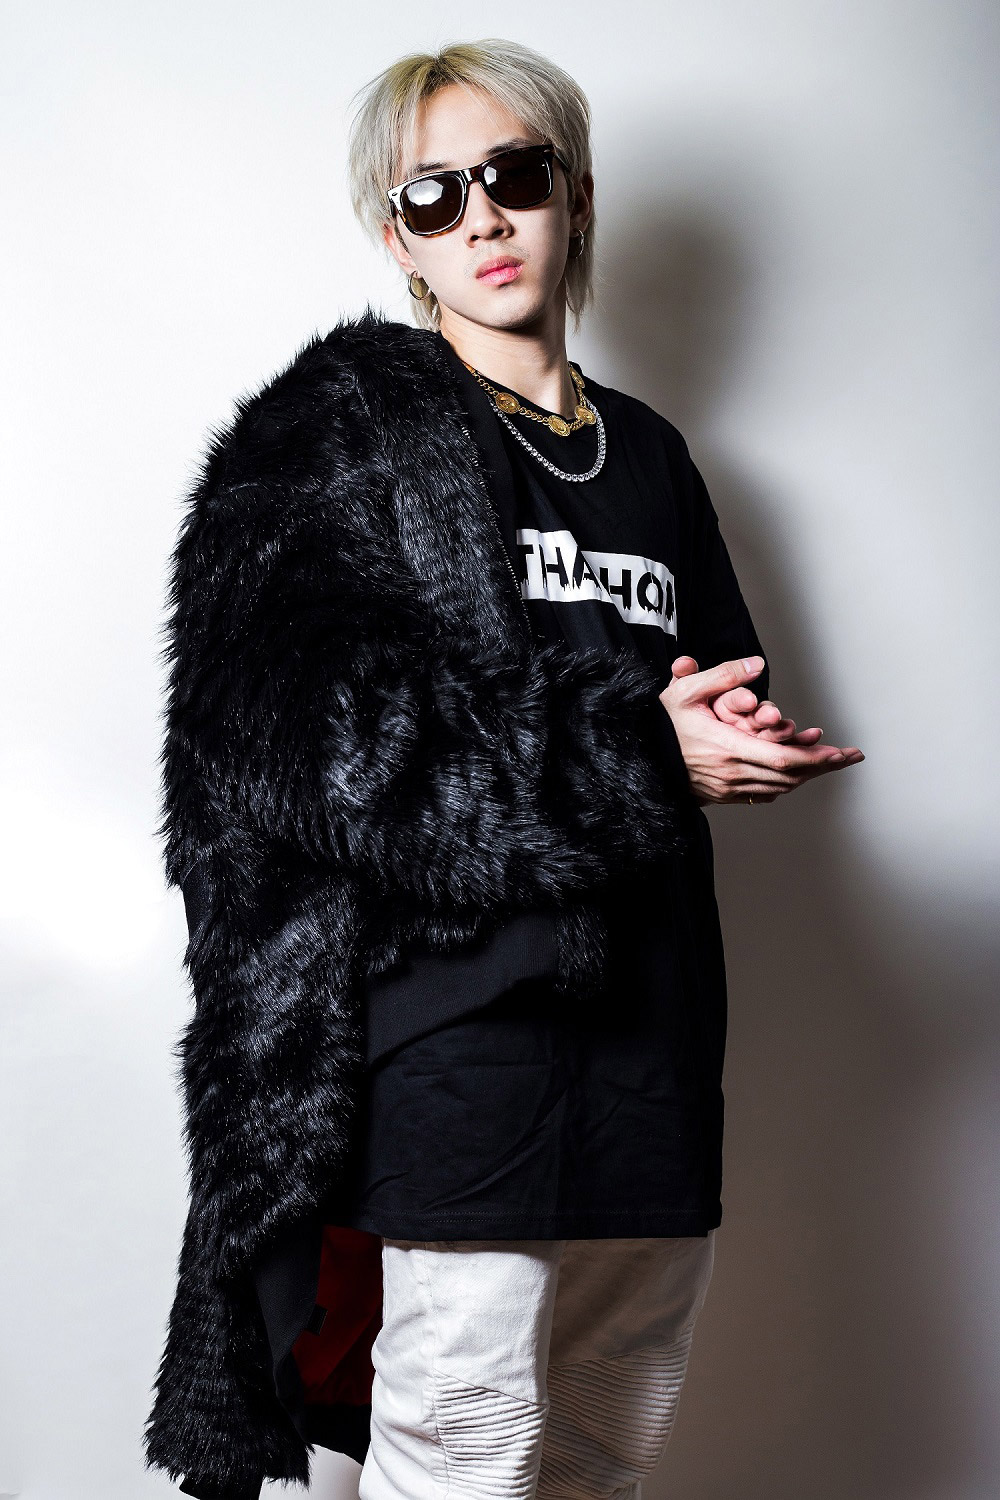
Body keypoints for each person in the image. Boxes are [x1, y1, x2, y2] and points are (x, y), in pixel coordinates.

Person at [143, 38, 864, 1500]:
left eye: (514, 175)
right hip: (458, 1017)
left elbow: (709, 683)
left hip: (657, 1013)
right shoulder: (339, 440)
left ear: (575, 196)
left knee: (607, 1430)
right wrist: (638, 750)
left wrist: (740, 738)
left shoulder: (652, 456)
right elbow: (303, 740)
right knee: (464, 1438)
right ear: (395, 234)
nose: (481, 215)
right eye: (433, 193)